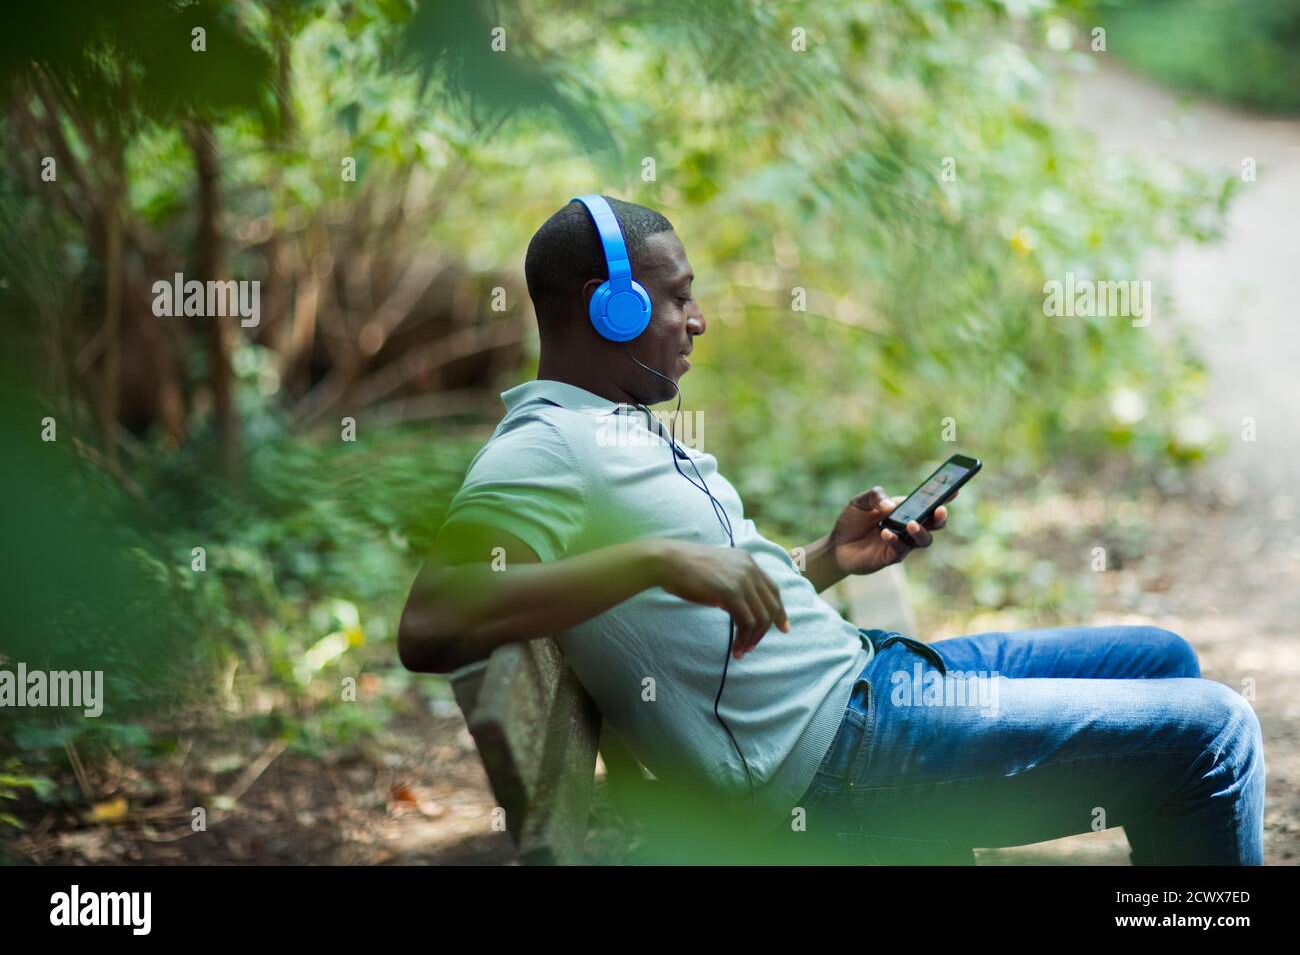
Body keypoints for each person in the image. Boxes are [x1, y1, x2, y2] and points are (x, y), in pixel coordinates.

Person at [398, 196, 1264, 864]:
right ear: (609, 308)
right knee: (1215, 733)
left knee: (1160, 657)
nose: (698, 320)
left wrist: (828, 561)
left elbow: (705, 618)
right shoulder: (545, 445)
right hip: (842, 761)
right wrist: (653, 558)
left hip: (871, 679)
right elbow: (432, 620)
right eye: (678, 299)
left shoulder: (615, 423)